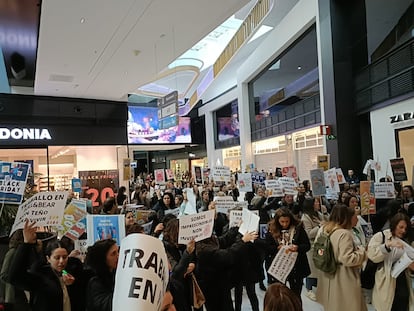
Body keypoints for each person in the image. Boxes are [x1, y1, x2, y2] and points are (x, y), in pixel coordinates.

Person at [8, 220, 79, 311]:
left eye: (65, 257)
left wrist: (71, 284)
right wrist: (26, 244)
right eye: (57, 258)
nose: (61, 261)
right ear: (48, 259)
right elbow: (14, 277)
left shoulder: (71, 273)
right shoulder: (41, 276)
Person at [316, 204, 367, 311]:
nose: (357, 219)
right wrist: (362, 252)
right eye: (354, 217)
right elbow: (347, 259)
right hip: (343, 276)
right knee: (347, 305)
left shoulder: (324, 229)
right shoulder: (344, 234)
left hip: (327, 273)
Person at [367, 213, 414, 311]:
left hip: (403, 281)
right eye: (401, 227)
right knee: (387, 306)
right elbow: (372, 255)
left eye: (405, 228)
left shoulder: (408, 241)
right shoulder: (381, 236)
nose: (403, 231)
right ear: (394, 225)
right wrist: (387, 247)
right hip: (385, 280)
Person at [265, 207, 310, 300]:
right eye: (282, 222)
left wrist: (297, 247)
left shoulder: (298, 228)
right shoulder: (271, 229)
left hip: (296, 267)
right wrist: (278, 248)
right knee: (280, 296)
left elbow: (307, 245)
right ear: (277, 221)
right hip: (280, 267)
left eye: (287, 221)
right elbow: (267, 247)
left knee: (296, 295)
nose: (285, 224)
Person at [300, 197, 328, 301]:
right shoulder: (305, 217)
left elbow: (327, 223)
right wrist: (319, 226)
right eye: (316, 202)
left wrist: (325, 213)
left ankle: (319, 287)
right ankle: (309, 289)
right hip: (312, 246)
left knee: (320, 267)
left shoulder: (319, 214)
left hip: (322, 244)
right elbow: (308, 234)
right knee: (312, 269)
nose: (318, 203)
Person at [0, 229, 30, 311]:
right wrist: (15, 280)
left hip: (24, 292)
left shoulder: (26, 251)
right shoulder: (12, 252)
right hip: (15, 294)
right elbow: (3, 274)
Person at [85, 239, 119, 311]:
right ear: (103, 258)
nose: (118, 256)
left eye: (118, 251)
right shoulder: (95, 282)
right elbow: (106, 306)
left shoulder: (117, 274)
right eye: (113, 254)